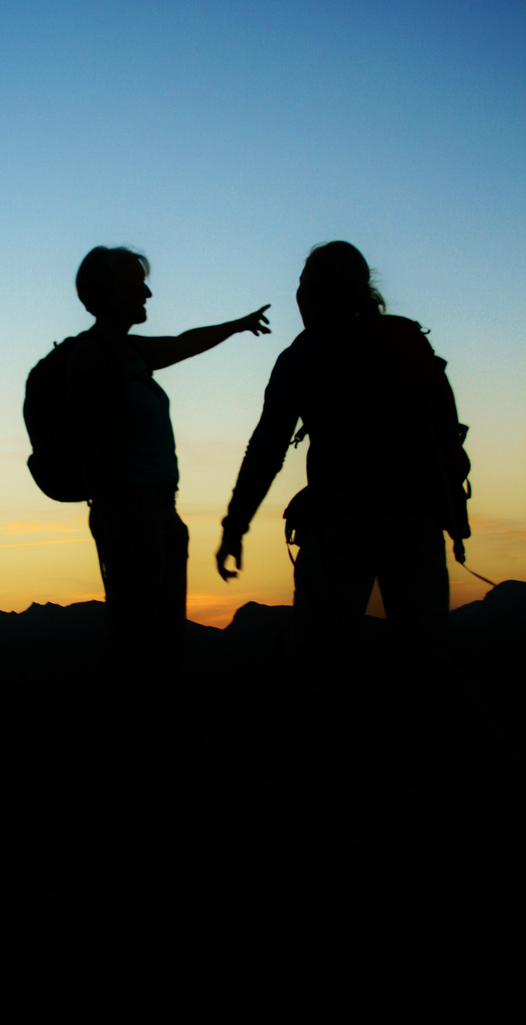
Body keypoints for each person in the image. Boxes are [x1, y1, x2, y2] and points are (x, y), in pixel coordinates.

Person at [216, 241, 469, 666]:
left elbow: (267, 448)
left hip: (342, 520)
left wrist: (235, 525)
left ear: (312, 292)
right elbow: (447, 430)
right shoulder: (404, 340)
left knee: (320, 658)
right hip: (418, 519)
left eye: (301, 285)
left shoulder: (306, 352)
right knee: (426, 657)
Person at [65, 245, 270, 755]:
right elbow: (87, 443)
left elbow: (185, 342)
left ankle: (154, 737)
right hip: (130, 509)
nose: (149, 291)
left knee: (162, 636)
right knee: (135, 633)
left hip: (159, 510)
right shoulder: (94, 357)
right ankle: (133, 748)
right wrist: (112, 511)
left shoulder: (130, 352)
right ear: (109, 293)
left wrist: (238, 325)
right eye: (137, 283)